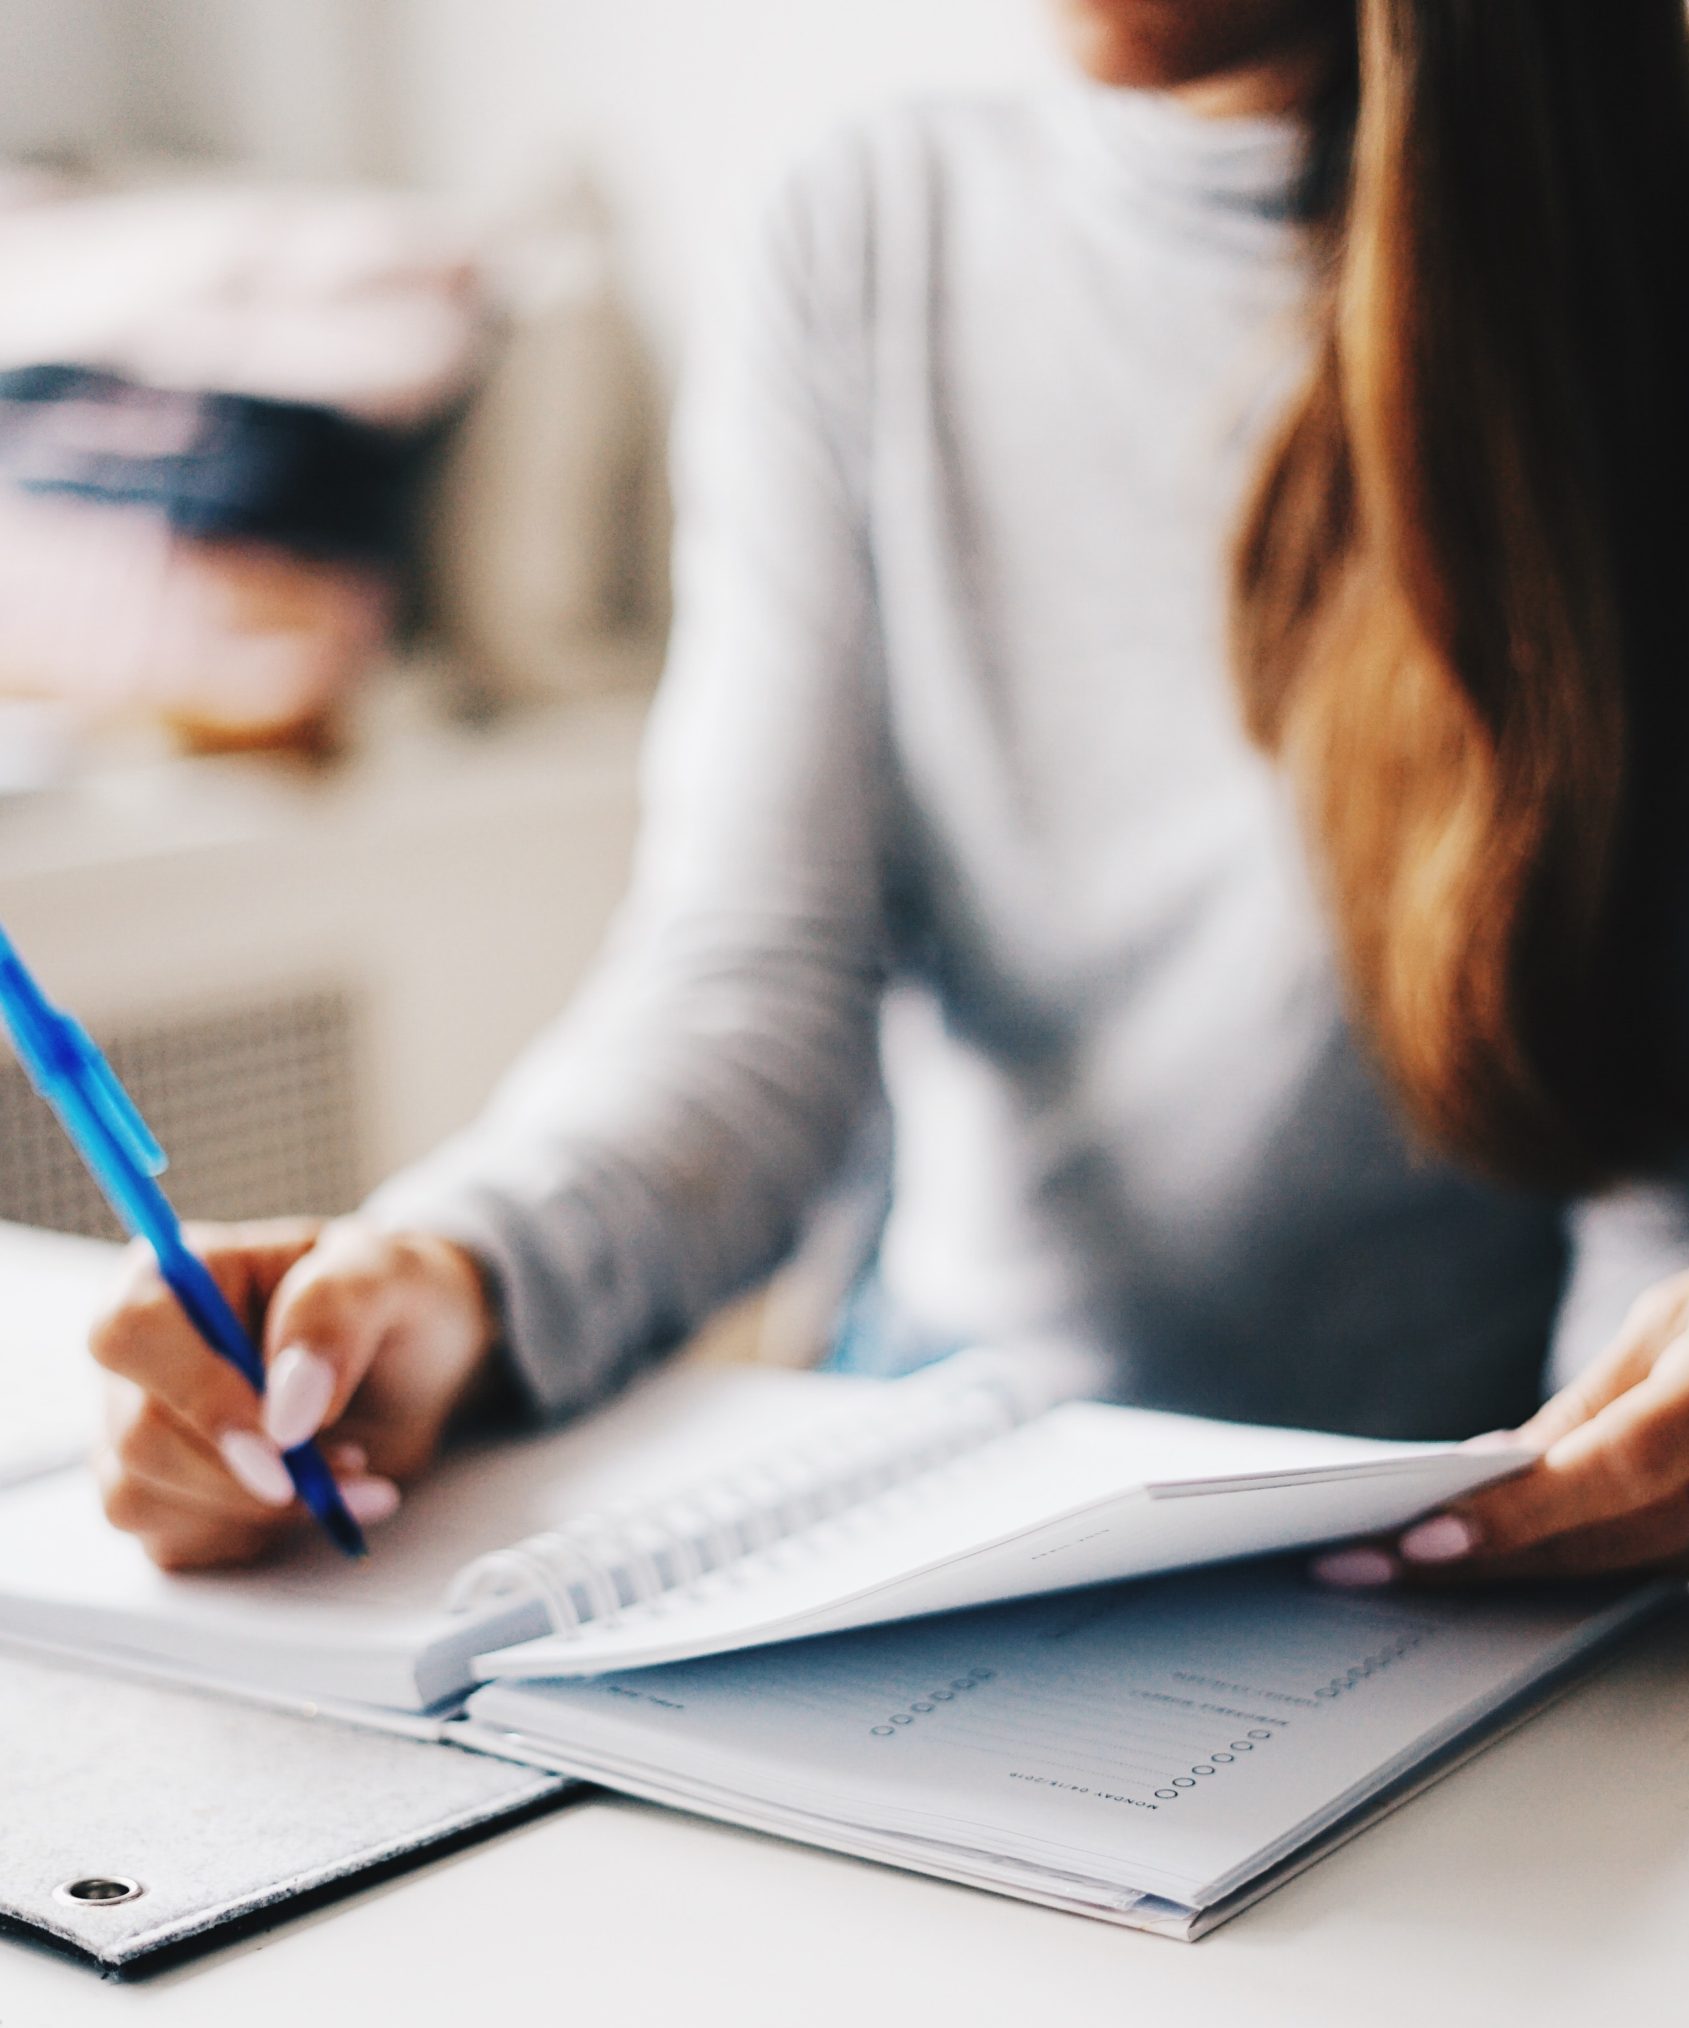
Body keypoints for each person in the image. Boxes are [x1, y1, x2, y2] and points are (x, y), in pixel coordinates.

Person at [86, 0, 1689, 1591]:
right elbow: (751, 987)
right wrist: (449, 1273)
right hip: (952, 1517)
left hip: (1504, 1575)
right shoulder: (869, 233)